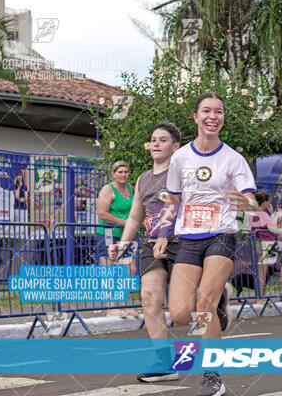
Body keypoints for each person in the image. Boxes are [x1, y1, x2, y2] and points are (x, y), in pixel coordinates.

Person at [153, 92, 258, 396]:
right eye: (207, 111)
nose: (213, 116)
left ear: (223, 119)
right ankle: (221, 304)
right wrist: (162, 234)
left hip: (221, 235)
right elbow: (173, 199)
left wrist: (246, 203)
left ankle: (212, 375)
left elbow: (250, 198)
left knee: (203, 304)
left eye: (219, 112)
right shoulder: (181, 157)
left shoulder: (233, 159)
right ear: (195, 118)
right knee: (182, 313)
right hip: (188, 238)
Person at [107, 122, 182, 382]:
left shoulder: (182, 173)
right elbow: (135, 217)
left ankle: (216, 302)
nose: (156, 144)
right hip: (152, 245)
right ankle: (164, 361)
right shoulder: (143, 179)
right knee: (149, 294)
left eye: (162, 140)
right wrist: (123, 245)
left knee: (184, 308)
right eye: (153, 140)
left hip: (183, 243)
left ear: (175, 146)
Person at [95, 160, 134, 316]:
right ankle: (111, 307)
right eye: (120, 172)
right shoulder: (108, 189)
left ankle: (123, 305)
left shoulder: (130, 188)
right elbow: (102, 213)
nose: (123, 175)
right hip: (107, 233)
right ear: (113, 174)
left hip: (125, 235)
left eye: (126, 172)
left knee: (128, 269)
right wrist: (125, 222)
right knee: (110, 269)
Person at [249, 191, 279, 302]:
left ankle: (258, 296)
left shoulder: (253, 213)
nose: (268, 204)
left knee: (259, 271)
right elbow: (274, 227)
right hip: (266, 243)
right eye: (268, 202)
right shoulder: (263, 213)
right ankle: (260, 296)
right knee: (263, 272)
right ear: (264, 202)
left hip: (258, 242)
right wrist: (272, 213)